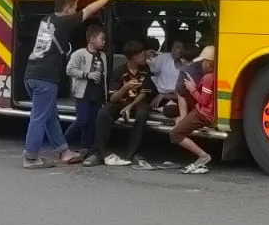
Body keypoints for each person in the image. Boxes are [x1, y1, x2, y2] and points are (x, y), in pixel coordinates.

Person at [22, 0, 112, 169]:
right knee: (39, 117)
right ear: (67, 8)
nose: (75, 11)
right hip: (45, 77)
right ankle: (31, 158)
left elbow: (66, 8)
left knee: (50, 116)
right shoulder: (65, 22)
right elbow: (89, 10)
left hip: (31, 75)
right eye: (73, 8)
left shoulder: (47, 19)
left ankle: (64, 151)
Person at [88, 40, 157, 169]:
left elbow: (144, 93)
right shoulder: (119, 71)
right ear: (134, 57)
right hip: (120, 102)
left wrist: (130, 106)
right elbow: (113, 98)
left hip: (137, 102)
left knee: (142, 113)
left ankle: (133, 154)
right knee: (103, 113)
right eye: (143, 55)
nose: (145, 58)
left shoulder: (145, 70)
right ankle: (97, 153)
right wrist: (125, 88)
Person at [61, 26, 109, 162]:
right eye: (101, 39)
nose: (104, 42)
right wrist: (87, 75)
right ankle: (61, 144)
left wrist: (105, 94)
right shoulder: (79, 54)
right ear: (92, 39)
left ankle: (85, 148)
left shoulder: (103, 56)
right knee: (82, 120)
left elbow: (104, 76)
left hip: (97, 93)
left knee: (92, 123)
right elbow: (69, 70)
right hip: (83, 93)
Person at [169, 45, 218, 174]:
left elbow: (203, 101)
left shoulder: (208, 78)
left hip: (202, 114)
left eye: (203, 62)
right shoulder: (214, 76)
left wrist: (192, 89)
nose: (201, 65)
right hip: (204, 112)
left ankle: (203, 156)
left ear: (208, 63)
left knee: (175, 134)